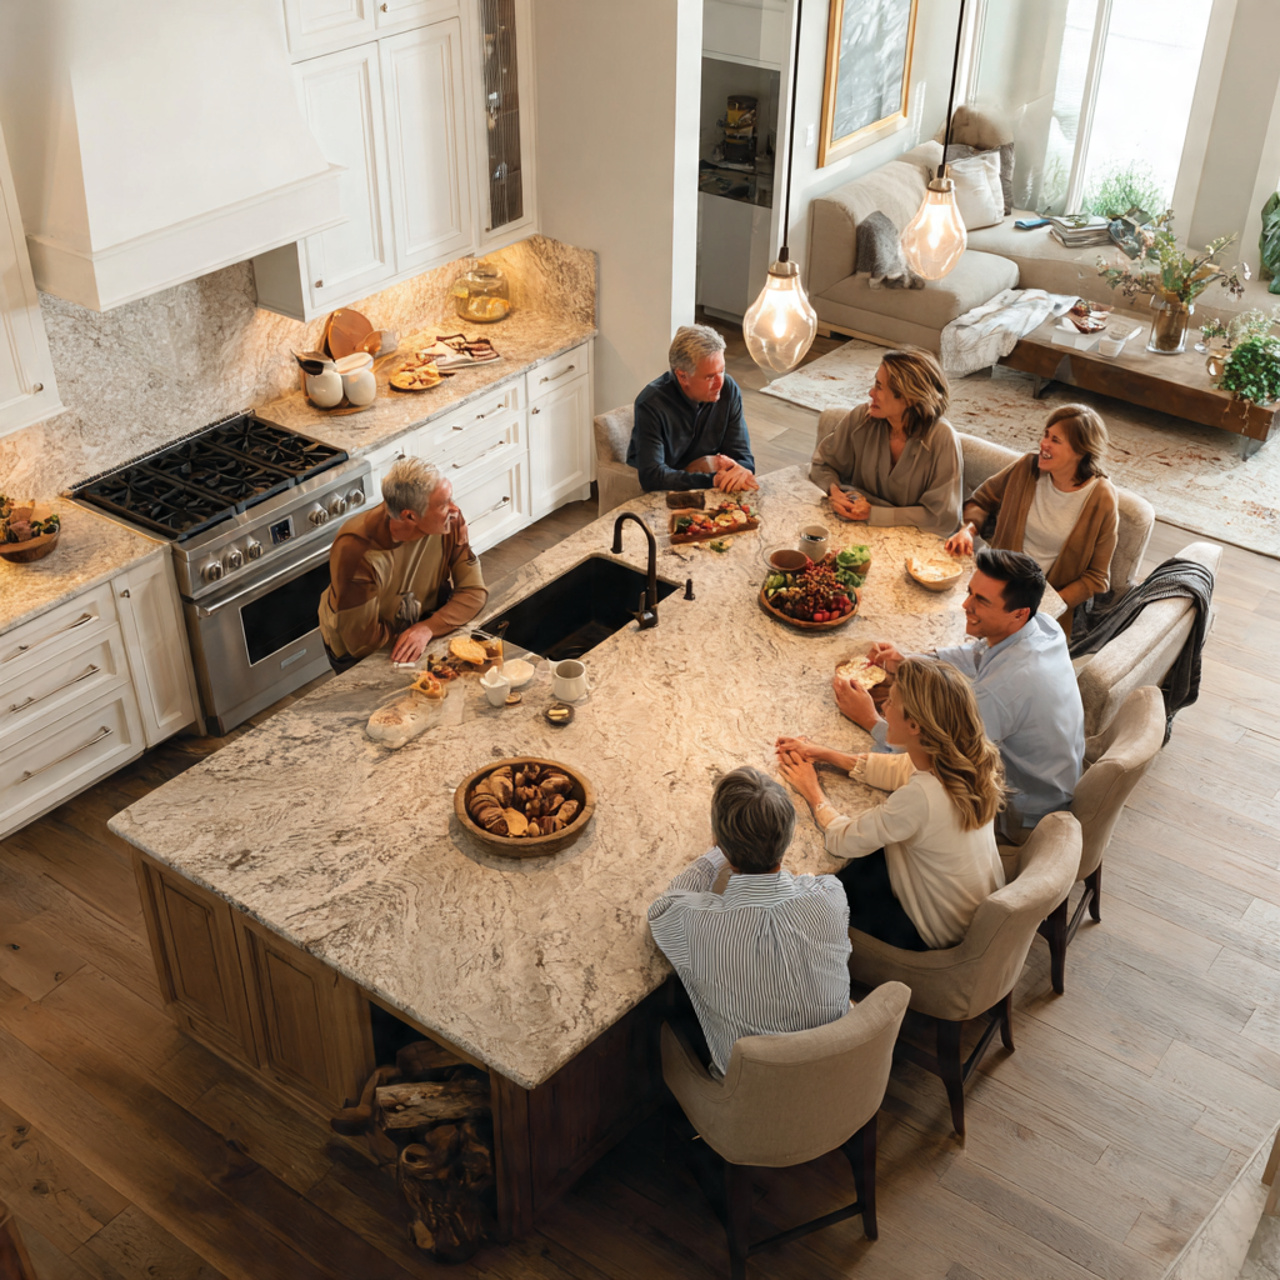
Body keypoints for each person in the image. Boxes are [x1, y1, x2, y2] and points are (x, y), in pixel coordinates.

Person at [833, 549, 1084, 842]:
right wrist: (908, 661)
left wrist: (870, 719)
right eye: (970, 592)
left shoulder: (999, 691)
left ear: (1019, 613)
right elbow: (978, 653)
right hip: (1054, 776)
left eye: (981, 601)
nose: (966, 605)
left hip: (1023, 814)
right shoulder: (1042, 626)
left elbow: (938, 757)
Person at [777, 658, 1006, 951]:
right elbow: (899, 768)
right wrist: (824, 754)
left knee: (814, 899)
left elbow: (841, 841)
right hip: (970, 912)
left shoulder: (920, 798)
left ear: (914, 725)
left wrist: (811, 790)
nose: (883, 707)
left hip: (935, 930)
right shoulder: (967, 759)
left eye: (892, 701)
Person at [647, 766, 851, 1076]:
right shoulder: (831, 896)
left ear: (719, 841)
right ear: (790, 835)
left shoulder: (700, 924)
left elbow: (662, 909)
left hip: (754, 1106)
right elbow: (808, 882)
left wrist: (718, 853)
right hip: (843, 1074)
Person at [944, 405, 1118, 627]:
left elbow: (1097, 577)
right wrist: (967, 531)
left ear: (1080, 451)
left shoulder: (1101, 497)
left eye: (1055, 440)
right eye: (1045, 434)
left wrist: (1048, 607)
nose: (1043, 443)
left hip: (1040, 612)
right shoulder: (1027, 467)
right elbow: (981, 501)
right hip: (991, 582)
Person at [318, 457, 487, 670]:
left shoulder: (449, 521)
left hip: (421, 626)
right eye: (444, 504)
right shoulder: (356, 550)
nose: (454, 509)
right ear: (410, 516)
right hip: (362, 650)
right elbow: (361, 642)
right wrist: (419, 636)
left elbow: (474, 592)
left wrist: (426, 629)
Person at [808, 348, 962, 538]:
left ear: (909, 398)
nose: (871, 392)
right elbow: (824, 464)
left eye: (880, 386)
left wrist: (874, 513)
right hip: (855, 531)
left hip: (914, 542)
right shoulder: (861, 419)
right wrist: (834, 491)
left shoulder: (942, 439)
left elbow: (943, 518)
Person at [627, 324, 758, 493]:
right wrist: (713, 479)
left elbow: (743, 457)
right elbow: (653, 477)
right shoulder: (651, 404)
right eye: (710, 377)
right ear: (683, 376)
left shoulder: (728, 389)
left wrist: (740, 471)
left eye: (722, 371)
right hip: (666, 486)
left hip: (699, 477)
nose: (720, 383)